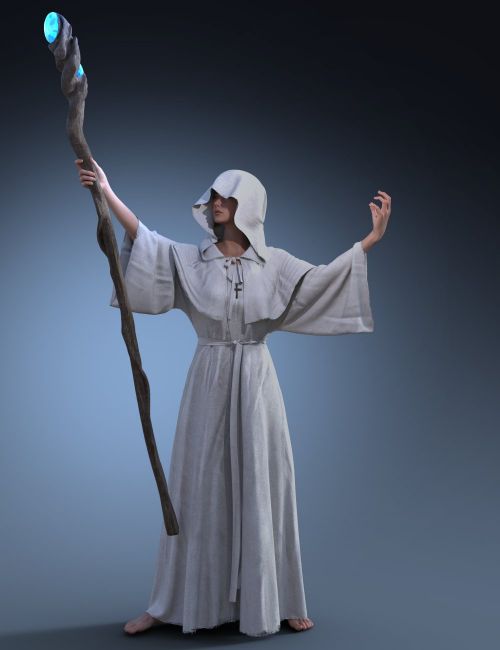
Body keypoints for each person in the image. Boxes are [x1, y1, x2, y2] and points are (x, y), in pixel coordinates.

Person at [75, 158, 391, 637]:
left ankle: (281, 599)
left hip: (257, 379)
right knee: (197, 486)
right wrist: (107, 191)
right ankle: (169, 602)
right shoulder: (193, 259)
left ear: (250, 208)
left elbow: (323, 281)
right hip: (209, 376)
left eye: (228, 197)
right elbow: (145, 239)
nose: (217, 203)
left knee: (264, 482)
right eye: (215, 196)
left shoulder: (276, 263)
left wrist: (368, 242)